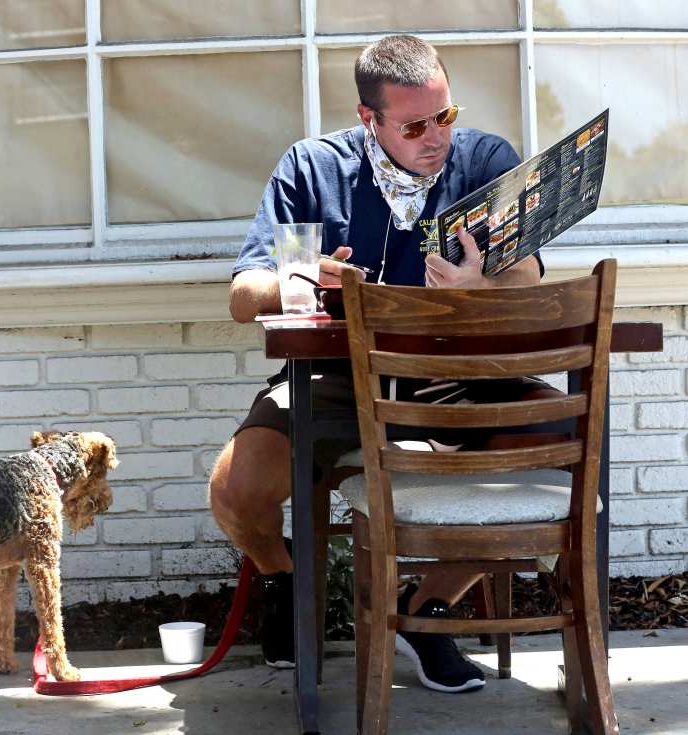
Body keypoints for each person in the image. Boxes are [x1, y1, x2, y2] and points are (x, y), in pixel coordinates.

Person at [209, 35, 558, 692]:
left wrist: (481, 289)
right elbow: (241, 295)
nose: (437, 138)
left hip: (462, 378)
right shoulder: (314, 168)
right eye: (415, 126)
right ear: (368, 119)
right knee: (236, 489)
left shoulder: (487, 160)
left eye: (445, 116)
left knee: (566, 449)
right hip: (334, 377)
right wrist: (303, 272)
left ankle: (424, 610)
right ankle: (289, 581)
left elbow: (529, 281)